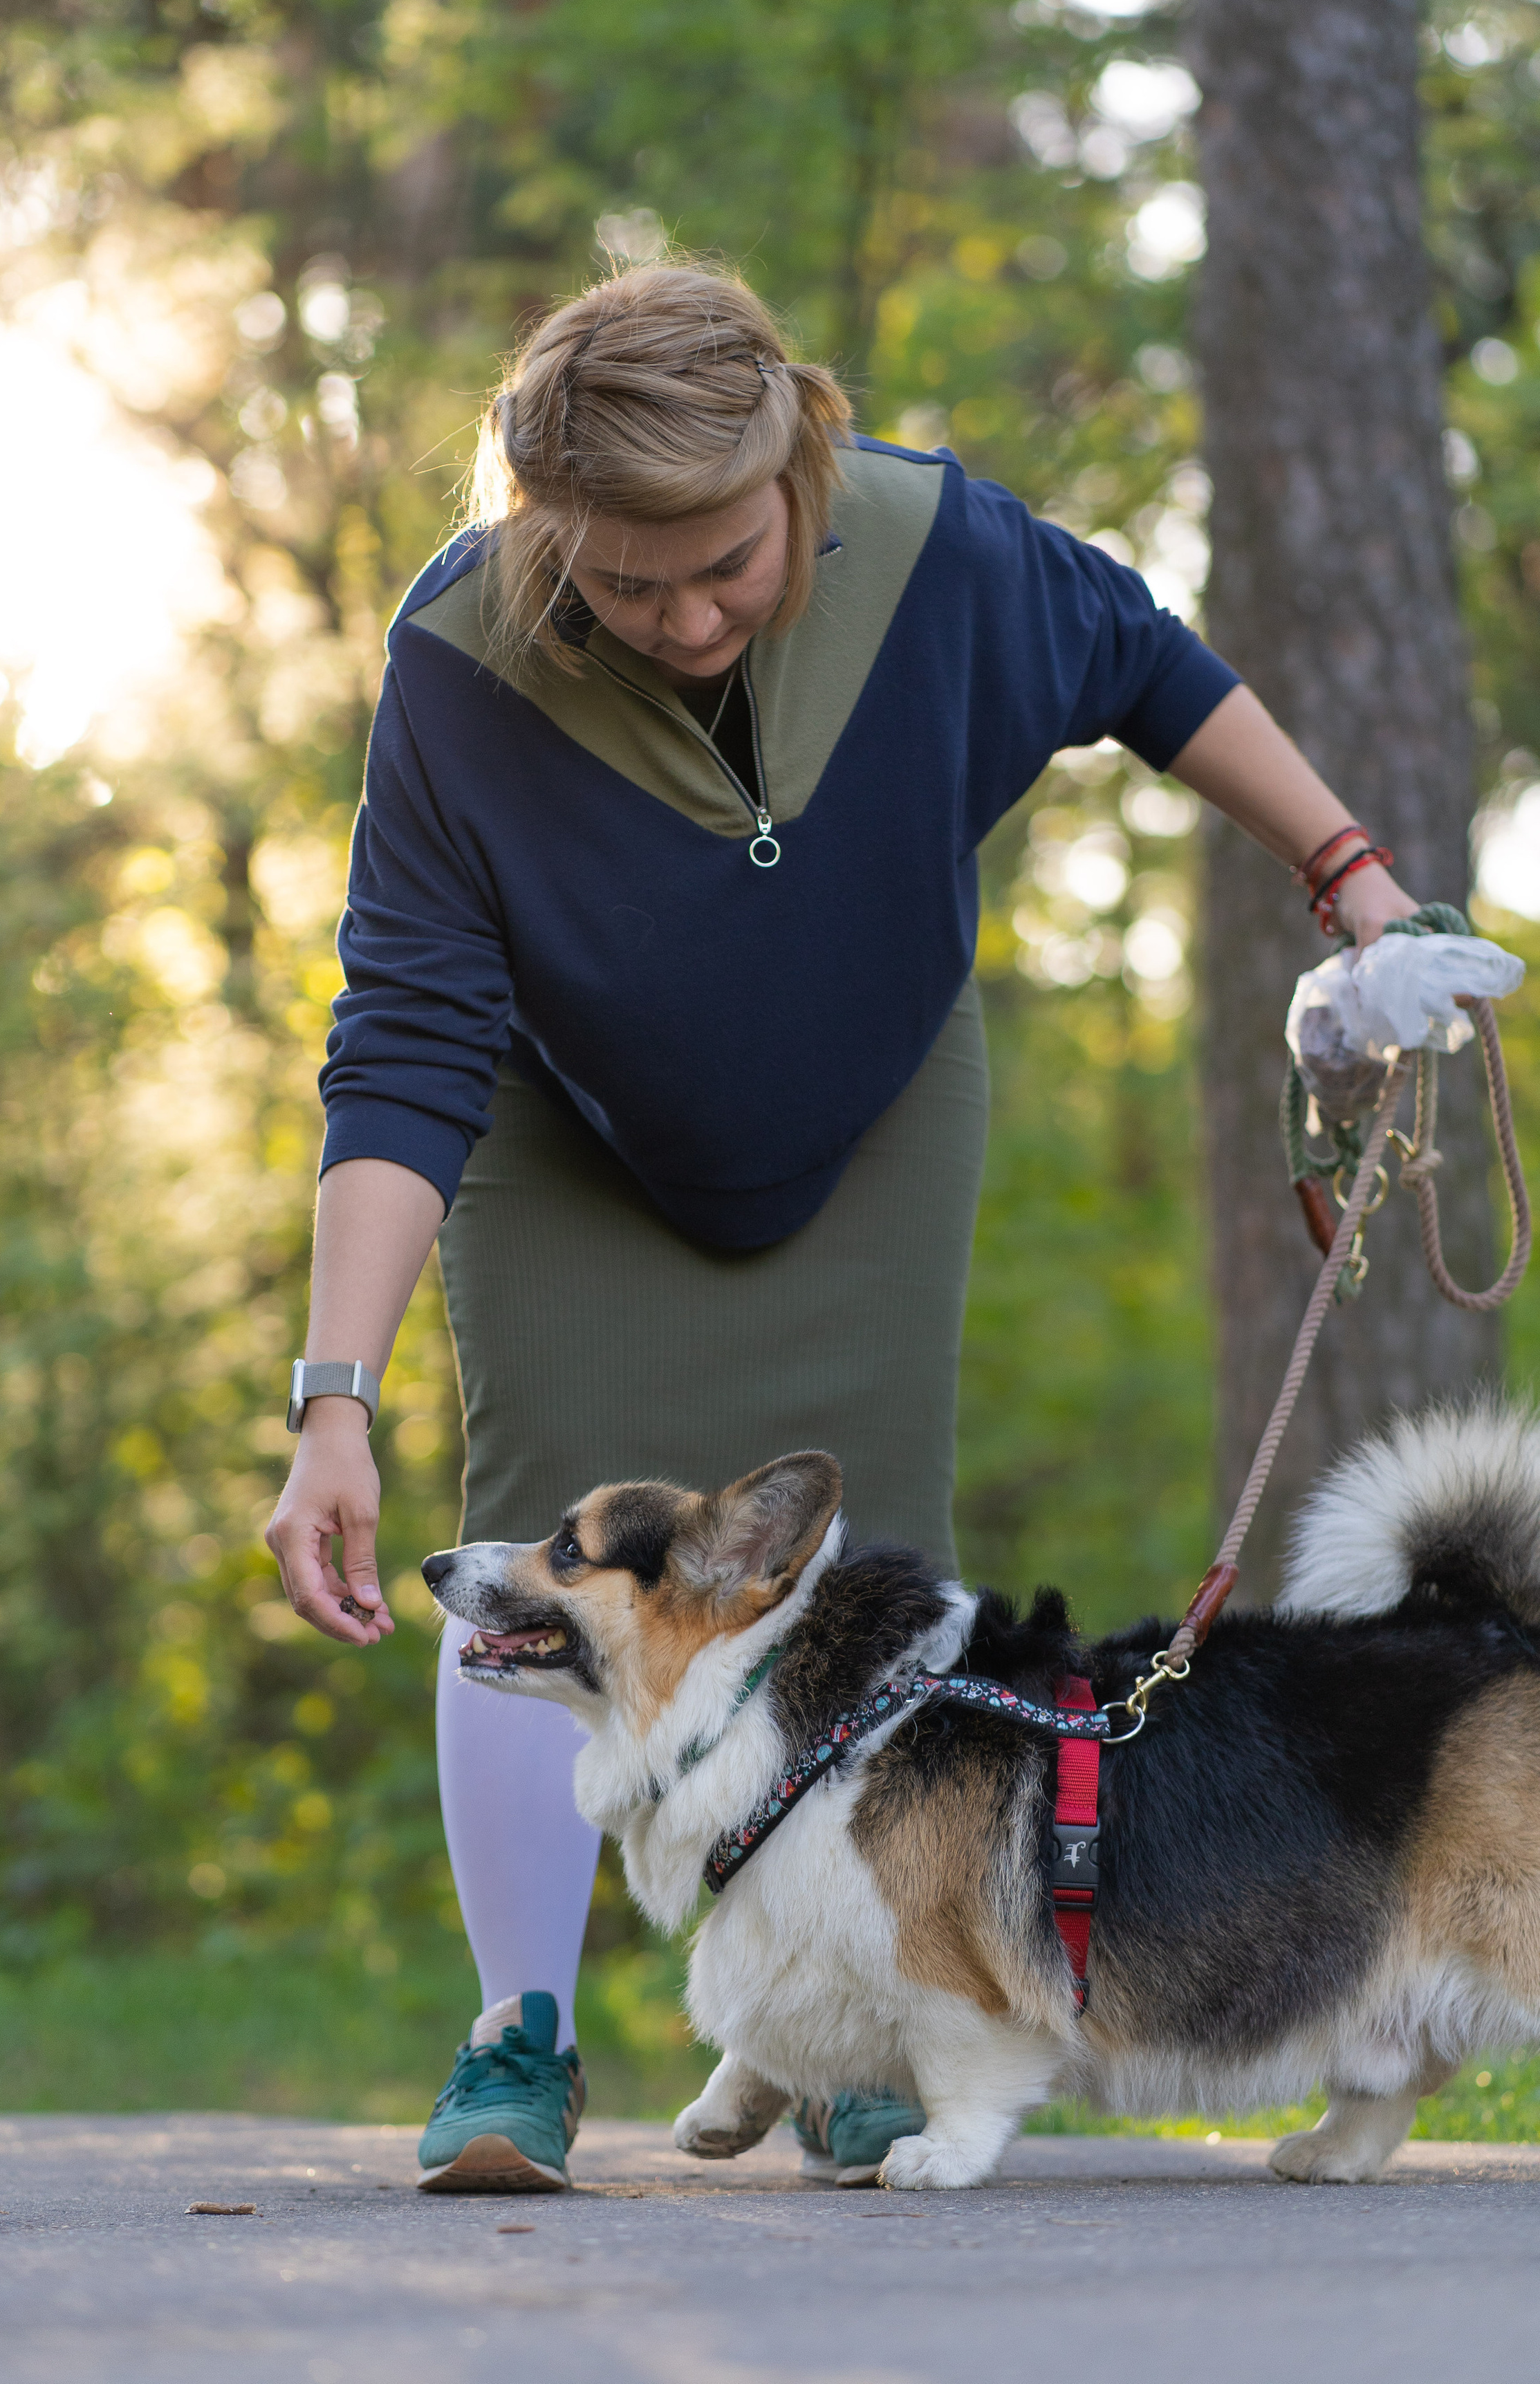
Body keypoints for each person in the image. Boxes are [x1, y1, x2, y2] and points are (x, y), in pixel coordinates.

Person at [264, 260, 1420, 2192]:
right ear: (546, 532)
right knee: (550, 1553)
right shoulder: (464, 662)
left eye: (725, 563)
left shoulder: (935, 553)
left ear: (801, 461)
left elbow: (1147, 663)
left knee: (867, 1558)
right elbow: (398, 1043)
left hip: (877, 1106)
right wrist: (331, 1403)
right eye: (626, 585)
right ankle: (517, 2040)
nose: (688, 617)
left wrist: (1354, 877)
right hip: (568, 1131)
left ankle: (875, 2035)